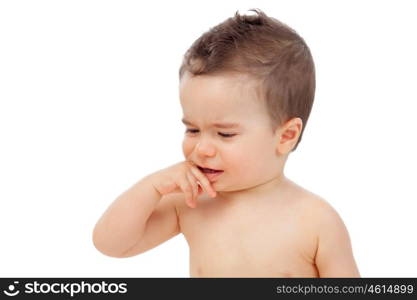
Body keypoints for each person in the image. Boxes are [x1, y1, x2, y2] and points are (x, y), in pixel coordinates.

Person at [92, 8, 360, 277]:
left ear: (286, 136)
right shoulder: (190, 203)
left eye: (225, 134)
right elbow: (112, 245)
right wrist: (152, 187)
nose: (202, 149)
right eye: (193, 129)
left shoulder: (316, 220)